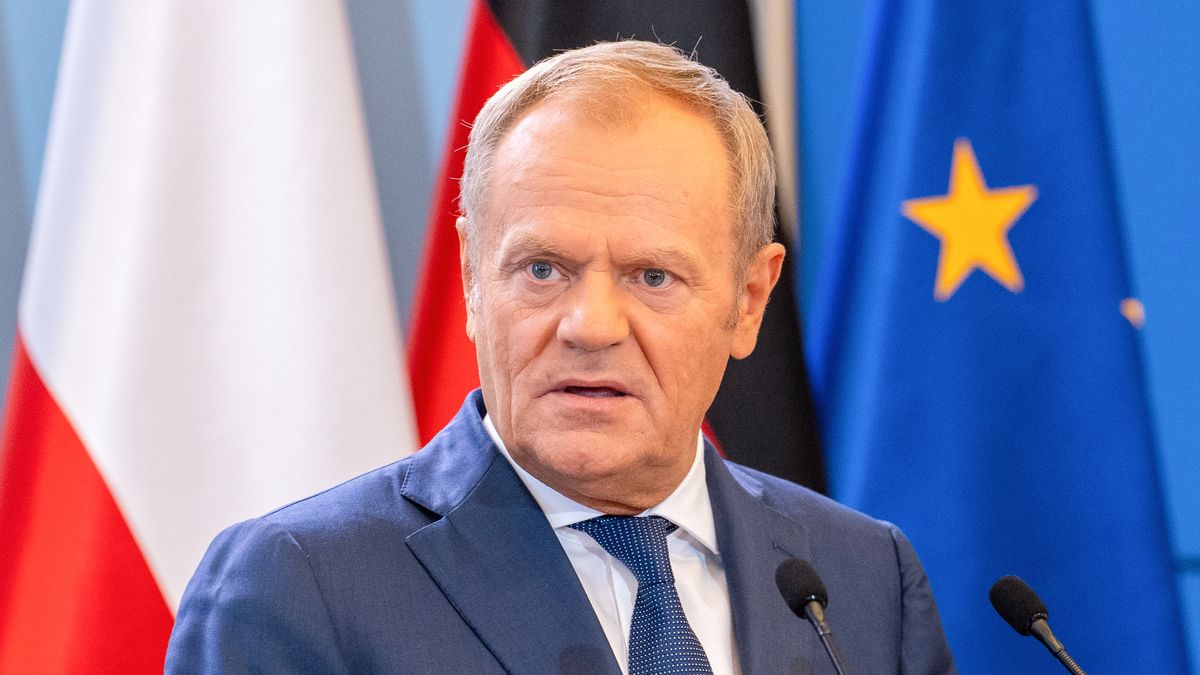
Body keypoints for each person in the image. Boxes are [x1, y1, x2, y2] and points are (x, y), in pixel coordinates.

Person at [166, 40, 954, 674]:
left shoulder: (862, 577)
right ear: (474, 279)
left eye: (653, 275)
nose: (590, 324)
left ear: (749, 299)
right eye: (543, 269)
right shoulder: (299, 585)